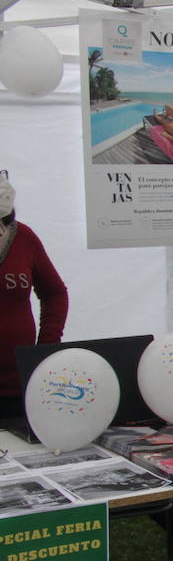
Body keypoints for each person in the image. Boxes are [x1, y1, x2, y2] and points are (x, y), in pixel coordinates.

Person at [0, 172, 69, 420]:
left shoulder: (24, 237)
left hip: (21, 387)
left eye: (3, 222)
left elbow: (54, 292)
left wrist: (47, 346)